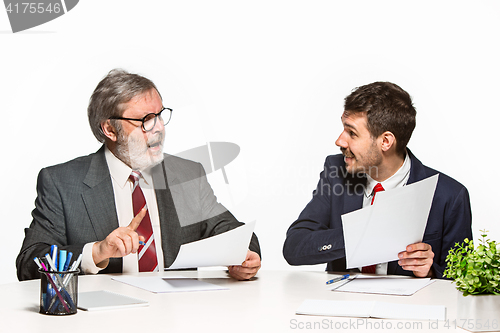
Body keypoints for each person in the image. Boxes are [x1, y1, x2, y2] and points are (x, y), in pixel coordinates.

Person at [17, 69, 261, 281]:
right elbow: (29, 262)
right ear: (110, 129)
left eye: (160, 115)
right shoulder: (61, 182)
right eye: (145, 120)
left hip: (178, 316)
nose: (159, 128)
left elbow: (232, 231)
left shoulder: (187, 174)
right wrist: (97, 252)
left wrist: (244, 257)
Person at [282, 81, 471, 279]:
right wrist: (360, 236)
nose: (340, 141)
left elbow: (464, 280)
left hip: (407, 308)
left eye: (352, 133)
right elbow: (294, 248)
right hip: (343, 305)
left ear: (386, 141)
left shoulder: (449, 196)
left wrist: (430, 270)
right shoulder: (336, 172)